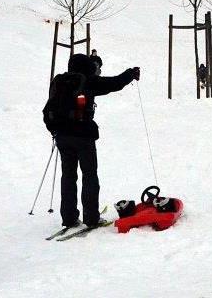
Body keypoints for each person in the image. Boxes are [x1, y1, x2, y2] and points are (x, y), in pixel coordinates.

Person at [43, 53, 140, 230]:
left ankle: (69, 218)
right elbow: (114, 83)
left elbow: (49, 107)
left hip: (62, 136)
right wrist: (130, 74)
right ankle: (91, 217)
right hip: (83, 135)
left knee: (68, 176)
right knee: (89, 176)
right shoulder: (86, 81)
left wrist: (55, 130)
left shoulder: (59, 81)